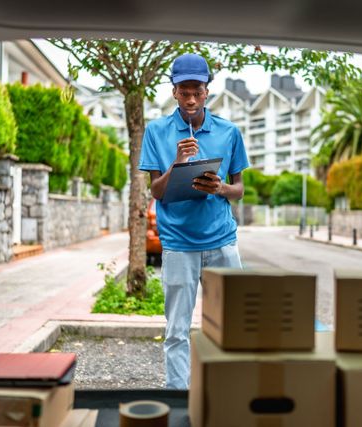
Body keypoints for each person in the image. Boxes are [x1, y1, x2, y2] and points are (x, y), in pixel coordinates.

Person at [138, 53, 250, 389]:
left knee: (233, 324)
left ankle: (230, 393)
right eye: (183, 91)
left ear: (207, 91)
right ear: (173, 90)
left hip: (222, 244)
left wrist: (220, 187)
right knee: (176, 330)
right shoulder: (156, 132)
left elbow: (239, 190)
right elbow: (157, 190)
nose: (190, 99)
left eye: (197, 91)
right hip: (178, 245)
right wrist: (177, 163)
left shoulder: (230, 132)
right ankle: (178, 397)